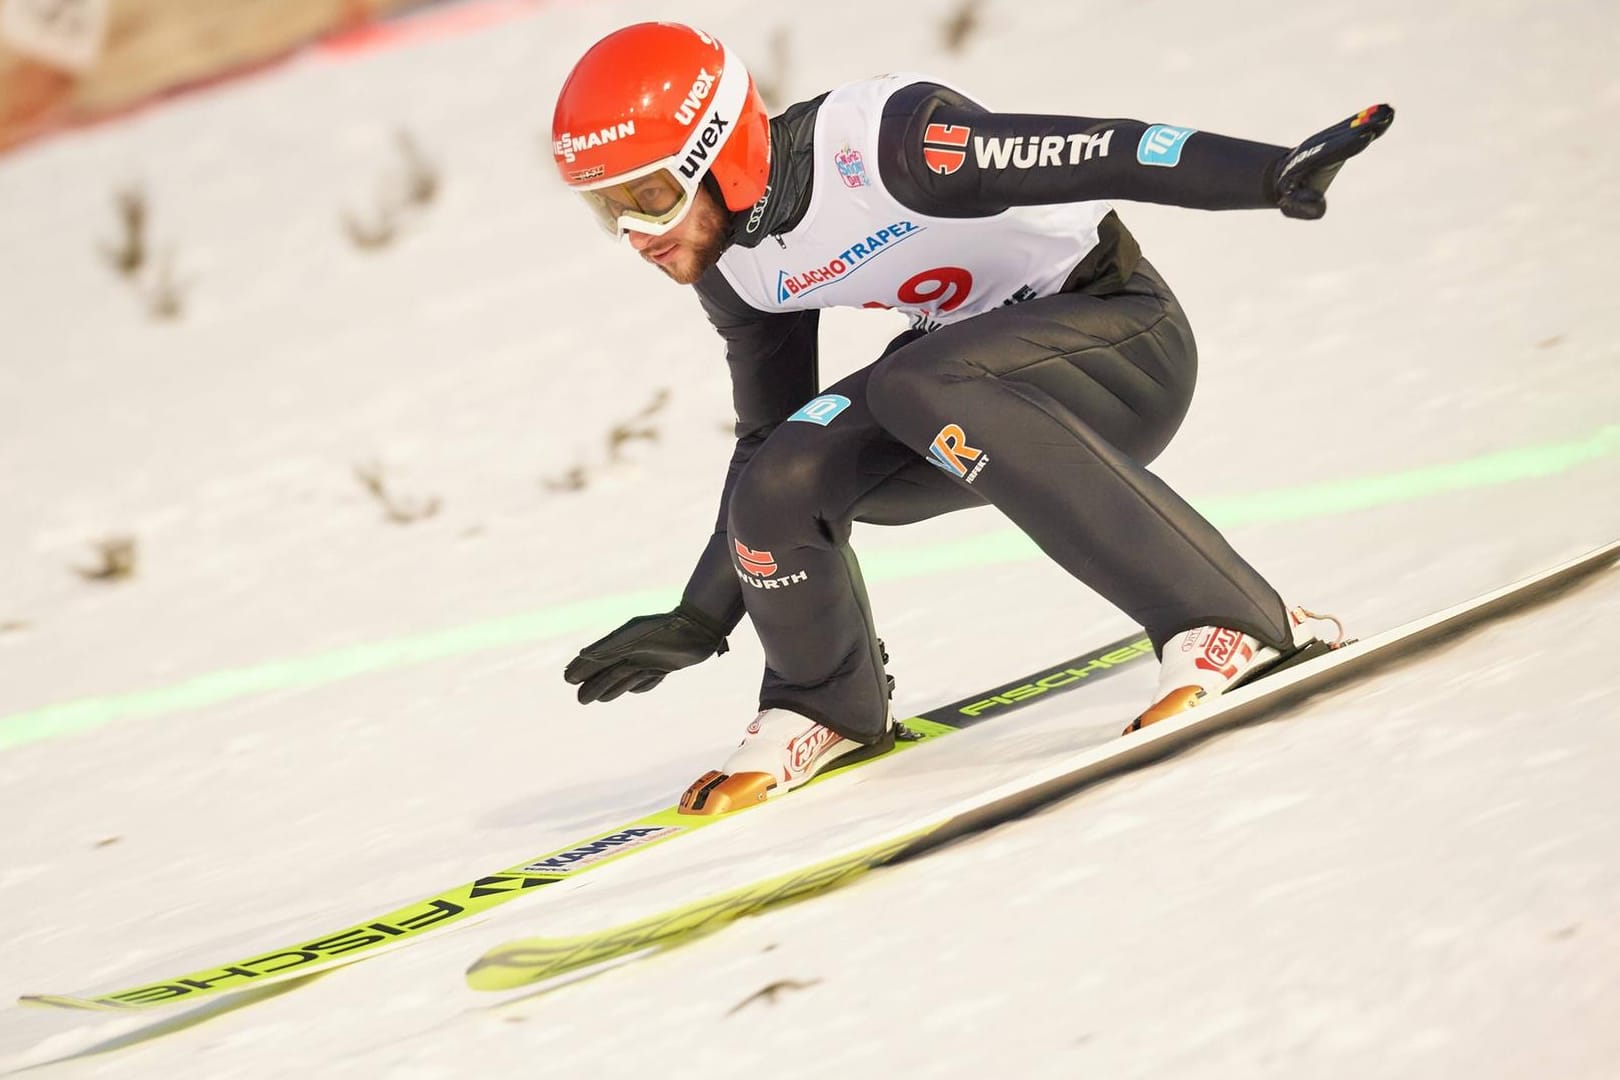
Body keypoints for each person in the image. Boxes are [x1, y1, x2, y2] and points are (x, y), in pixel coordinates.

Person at [554, 21, 1392, 815]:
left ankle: (1234, 621)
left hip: (1122, 342)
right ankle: (824, 700)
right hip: (968, 393)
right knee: (787, 470)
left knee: (915, 381)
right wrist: (704, 613)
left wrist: (1266, 171)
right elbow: (765, 437)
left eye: (651, 196)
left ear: (720, 151)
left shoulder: (886, 145)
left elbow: (1105, 150)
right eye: (607, 209)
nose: (635, 234)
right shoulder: (731, 267)